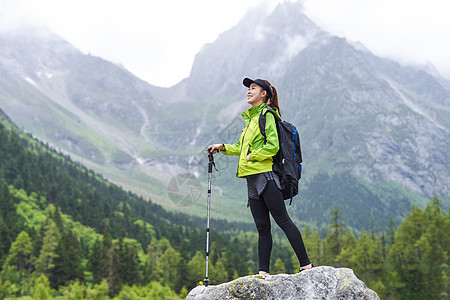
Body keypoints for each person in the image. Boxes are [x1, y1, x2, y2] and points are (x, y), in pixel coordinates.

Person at [207, 78, 313, 275]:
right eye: (248, 88)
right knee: (263, 229)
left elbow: (273, 146)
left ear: (264, 93)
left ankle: (306, 265)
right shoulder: (250, 120)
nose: (249, 91)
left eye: (253, 88)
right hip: (251, 181)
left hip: (266, 178)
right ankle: (263, 272)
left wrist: (252, 156)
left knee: (282, 220)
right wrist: (222, 147)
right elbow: (240, 148)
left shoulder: (267, 115)